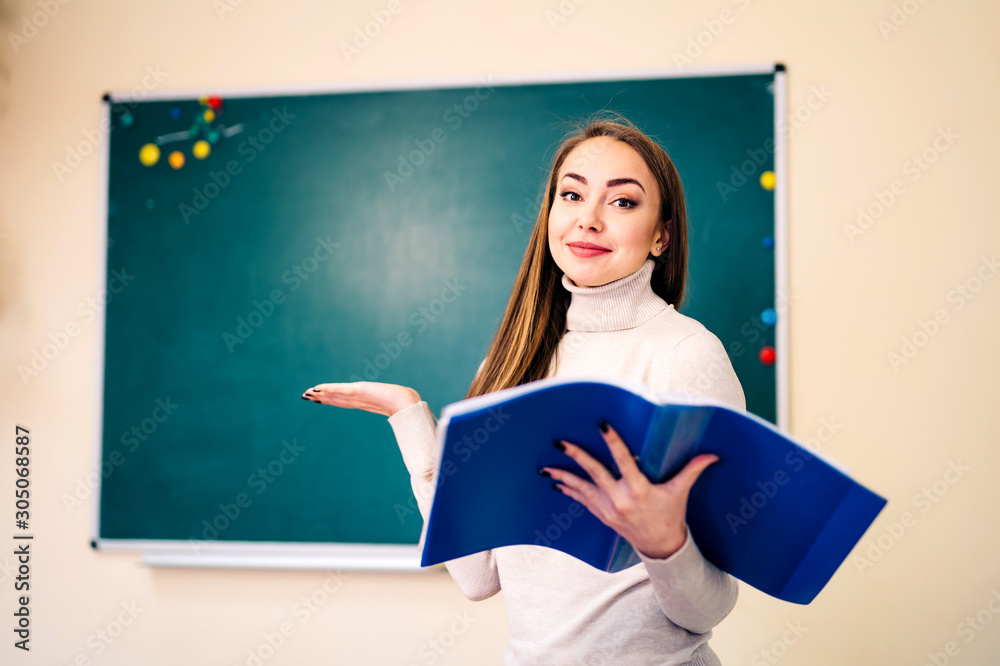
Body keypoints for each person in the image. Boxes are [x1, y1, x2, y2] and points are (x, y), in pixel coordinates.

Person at [302, 117, 745, 665]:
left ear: (662, 234)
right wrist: (409, 417)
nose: (588, 219)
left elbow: (708, 609)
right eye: (572, 194)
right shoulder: (514, 361)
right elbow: (476, 575)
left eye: (623, 203)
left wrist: (664, 543)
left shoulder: (688, 356)